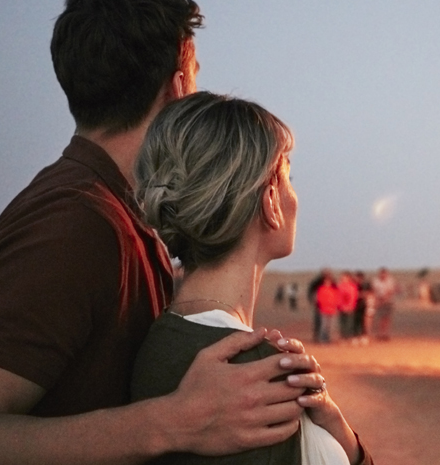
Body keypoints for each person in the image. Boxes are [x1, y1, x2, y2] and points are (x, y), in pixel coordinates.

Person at [0, 2, 320, 463]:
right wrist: (171, 422)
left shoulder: (119, 213)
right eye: (197, 71)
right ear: (179, 84)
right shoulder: (73, 223)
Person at [130, 92, 369, 464]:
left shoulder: (156, 341)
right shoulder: (259, 378)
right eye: (289, 177)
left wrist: (335, 423)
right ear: (271, 202)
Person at [371, 268, 397, 341]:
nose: (383, 276)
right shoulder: (376, 281)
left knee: (387, 318)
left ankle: (386, 333)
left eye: (384, 274)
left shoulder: (390, 280)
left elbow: (390, 291)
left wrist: (384, 298)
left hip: (388, 301)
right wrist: (377, 301)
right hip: (379, 301)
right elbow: (374, 291)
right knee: (380, 318)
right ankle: (380, 333)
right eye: (381, 274)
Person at [315, 275, 341, 344]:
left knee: (331, 326)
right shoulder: (321, 289)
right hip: (323, 310)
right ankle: (323, 340)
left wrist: (337, 306)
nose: (327, 282)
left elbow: (337, 299)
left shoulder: (334, 290)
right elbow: (319, 299)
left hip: (332, 310)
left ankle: (331, 339)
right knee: (324, 326)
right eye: (326, 281)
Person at [337, 272, 359, 342]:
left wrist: (350, 306)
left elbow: (353, 298)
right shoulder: (339, 286)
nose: (343, 279)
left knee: (349, 324)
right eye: (342, 277)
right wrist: (340, 306)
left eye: (345, 277)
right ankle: (343, 338)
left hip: (350, 308)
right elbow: (338, 297)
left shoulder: (352, 287)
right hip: (341, 308)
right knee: (342, 324)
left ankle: (349, 337)